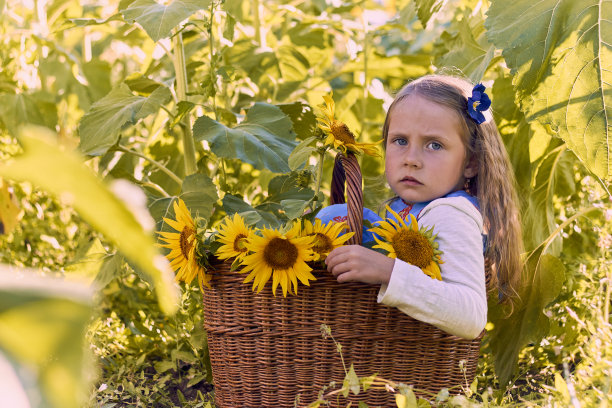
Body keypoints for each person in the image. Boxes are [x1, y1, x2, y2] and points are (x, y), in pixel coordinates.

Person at [324, 75, 523, 340]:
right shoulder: (409, 207)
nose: (412, 160)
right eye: (400, 141)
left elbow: (471, 316)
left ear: (471, 163)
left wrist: (388, 271)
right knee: (339, 217)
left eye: (434, 145)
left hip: (415, 362)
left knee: (335, 217)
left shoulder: (451, 215)